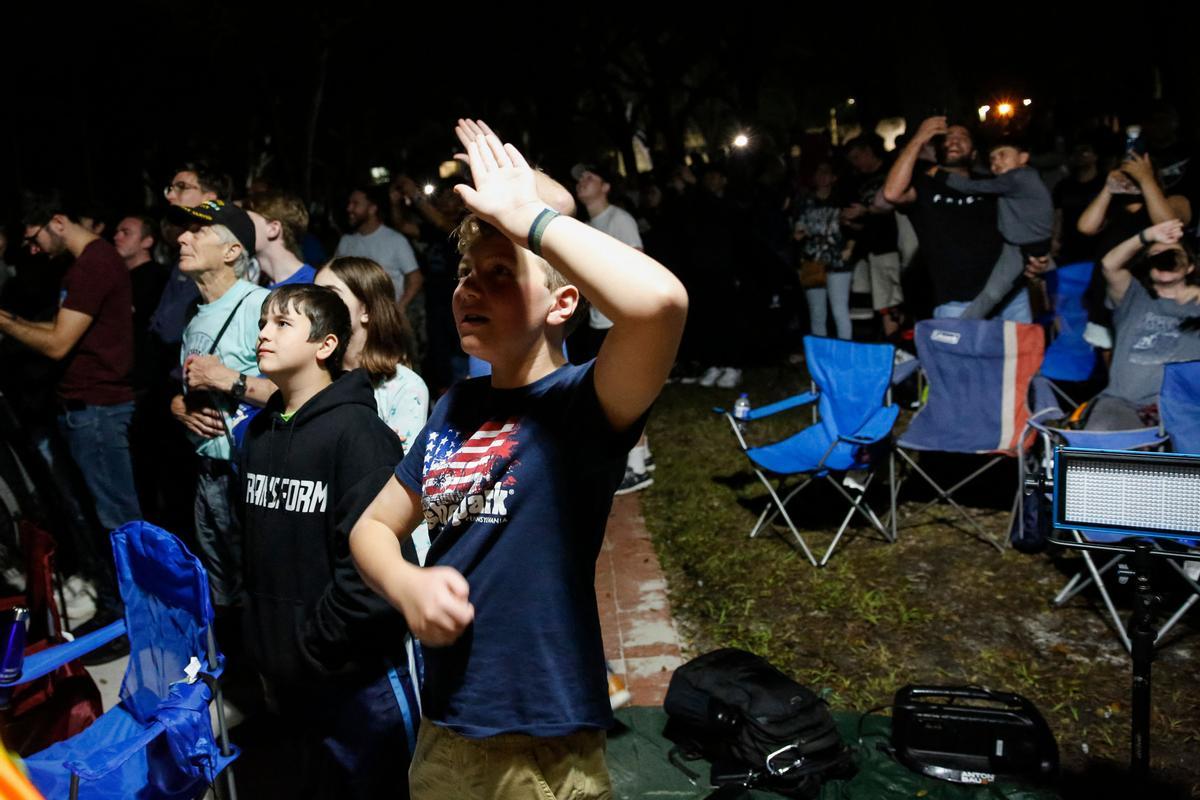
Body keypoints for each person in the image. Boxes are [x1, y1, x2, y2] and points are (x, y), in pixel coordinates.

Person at [349, 119, 688, 799]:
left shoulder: (581, 405)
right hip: (449, 723)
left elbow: (659, 305)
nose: (470, 288)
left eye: (499, 275)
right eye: (468, 273)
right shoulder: (454, 407)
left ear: (564, 302)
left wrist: (529, 218)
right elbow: (371, 527)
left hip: (548, 735)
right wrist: (407, 585)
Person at [241, 284, 416, 799]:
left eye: (282, 324)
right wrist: (267, 644)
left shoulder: (358, 434)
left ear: (325, 345)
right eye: (263, 323)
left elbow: (374, 567)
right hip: (290, 674)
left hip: (354, 679)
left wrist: (315, 645)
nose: (265, 333)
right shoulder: (258, 434)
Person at [2, 192, 141, 627]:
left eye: (34, 237)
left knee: (115, 521)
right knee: (93, 516)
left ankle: (132, 616)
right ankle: (117, 606)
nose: (33, 249)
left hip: (99, 410)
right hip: (82, 410)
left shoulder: (94, 265)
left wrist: (4, 323)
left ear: (57, 221)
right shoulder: (79, 267)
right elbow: (61, 329)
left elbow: (58, 342)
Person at [170, 199, 273, 609]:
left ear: (232, 252)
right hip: (208, 474)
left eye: (198, 232)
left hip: (250, 477)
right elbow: (193, 391)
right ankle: (235, 671)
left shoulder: (259, 306)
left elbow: (302, 395)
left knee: (259, 591)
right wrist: (178, 406)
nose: (182, 238)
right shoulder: (195, 317)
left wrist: (226, 379)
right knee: (223, 593)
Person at [883, 117, 1028, 321]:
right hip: (958, 302)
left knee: (1020, 353)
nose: (955, 140)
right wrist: (919, 138)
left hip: (1011, 297)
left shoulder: (991, 184)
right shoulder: (925, 185)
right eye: (949, 137)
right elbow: (891, 193)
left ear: (974, 153)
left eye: (963, 137)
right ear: (936, 150)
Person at [571, 161, 655, 494]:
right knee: (612, 393)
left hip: (622, 320)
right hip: (600, 320)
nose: (582, 183)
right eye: (580, 179)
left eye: (590, 177)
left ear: (606, 186)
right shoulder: (588, 224)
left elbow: (639, 264)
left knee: (622, 395)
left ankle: (635, 468)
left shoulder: (619, 219)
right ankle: (643, 455)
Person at [1084, 219, 1200, 430]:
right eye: (1156, 255)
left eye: (1173, 255)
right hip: (1124, 404)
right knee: (1097, 445)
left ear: (1190, 266)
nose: (1165, 259)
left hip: (1185, 409)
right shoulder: (1133, 295)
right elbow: (1109, 264)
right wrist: (1148, 235)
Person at [936, 139, 1054, 319]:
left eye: (1002, 155)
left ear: (1023, 158)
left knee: (1049, 299)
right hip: (1017, 245)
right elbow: (983, 174)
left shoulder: (1018, 177)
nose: (996, 162)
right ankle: (962, 331)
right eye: (992, 159)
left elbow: (972, 187)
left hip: (1032, 249)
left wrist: (939, 174)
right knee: (995, 294)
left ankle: (960, 330)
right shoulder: (1018, 177)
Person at [842, 135, 902, 335]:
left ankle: (904, 343)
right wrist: (850, 221)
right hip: (870, 249)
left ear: (868, 151)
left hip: (893, 245)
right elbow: (861, 219)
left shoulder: (892, 171)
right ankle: (887, 344)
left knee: (896, 299)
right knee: (878, 302)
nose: (855, 163)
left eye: (857, 157)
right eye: (851, 160)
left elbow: (895, 205)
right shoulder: (857, 181)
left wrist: (866, 211)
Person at [335, 186, 424, 308]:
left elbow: (416, 279)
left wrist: (400, 308)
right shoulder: (346, 241)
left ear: (372, 208)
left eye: (355, 203)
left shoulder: (396, 240)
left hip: (386, 319)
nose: (349, 208)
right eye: (349, 203)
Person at [795, 160, 854, 339]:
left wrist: (850, 248)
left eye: (826, 172)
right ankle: (820, 358)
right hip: (813, 260)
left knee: (839, 310)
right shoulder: (805, 201)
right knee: (817, 312)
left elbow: (854, 227)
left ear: (834, 177)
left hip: (838, 260)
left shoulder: (842, 199)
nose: (822, 176)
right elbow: (798, 230)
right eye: (818, 172)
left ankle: (845, 354)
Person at [244, 190, 316, 287]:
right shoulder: (255, 282)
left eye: (247, 220)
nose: (240, 226)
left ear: (273, 229)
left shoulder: (311, 285)